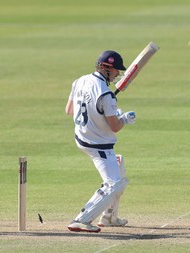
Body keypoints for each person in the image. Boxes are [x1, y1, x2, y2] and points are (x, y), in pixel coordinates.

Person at [65, 50, 136, 233]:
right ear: (107, 69)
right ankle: (81, 219)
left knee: (118, 164)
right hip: (98, 144)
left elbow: (69, 110)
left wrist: (103, 113)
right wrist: (124, 118)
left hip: (82, 137)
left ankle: (109, 217)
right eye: (116, 71)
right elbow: (115, 127)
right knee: (113, 183)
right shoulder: (106, 95)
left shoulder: (79, 81)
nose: (118, 74)